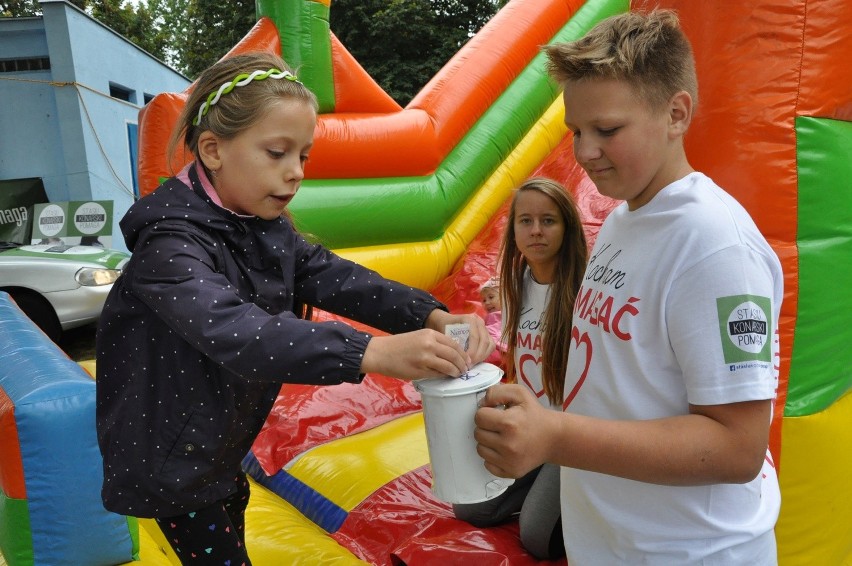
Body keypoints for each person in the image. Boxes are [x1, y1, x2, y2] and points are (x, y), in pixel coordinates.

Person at [95, 51, 493, 565]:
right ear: (213, 150)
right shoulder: (169, 246)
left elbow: (339, 278)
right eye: (277, 153)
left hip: (214, 435)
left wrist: (430, 314)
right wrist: (371, 351)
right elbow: (235, 330)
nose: (296, 172)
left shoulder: (259, 224)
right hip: (172, 452)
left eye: (302, 155)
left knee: (227, 514)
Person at [473, 10, 783, 564]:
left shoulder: (715, 245)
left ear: (676, 113)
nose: (584, 151)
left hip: (691, 551)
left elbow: (738, 447)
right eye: (576, 131)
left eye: (607, 130)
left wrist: (555, 436)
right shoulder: (622, 220)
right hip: (618, 543)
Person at [453, 177, 587, 560]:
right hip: (530, 425)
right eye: (525, 221)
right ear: (513, 231)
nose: (536, 231)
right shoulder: (514, 286)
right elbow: (512, 360)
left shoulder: (585, 291)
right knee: (470, 507)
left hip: (569, 431)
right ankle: (544, 484)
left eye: (549, 221)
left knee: (536, 539)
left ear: (568, 227)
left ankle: (574, 489)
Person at [478, 276, 507, 371]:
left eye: (491, 297)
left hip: (502, 351)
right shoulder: (490, 316)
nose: (487, 302)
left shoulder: (502, 315)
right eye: (484, 300)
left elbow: (495, 331)